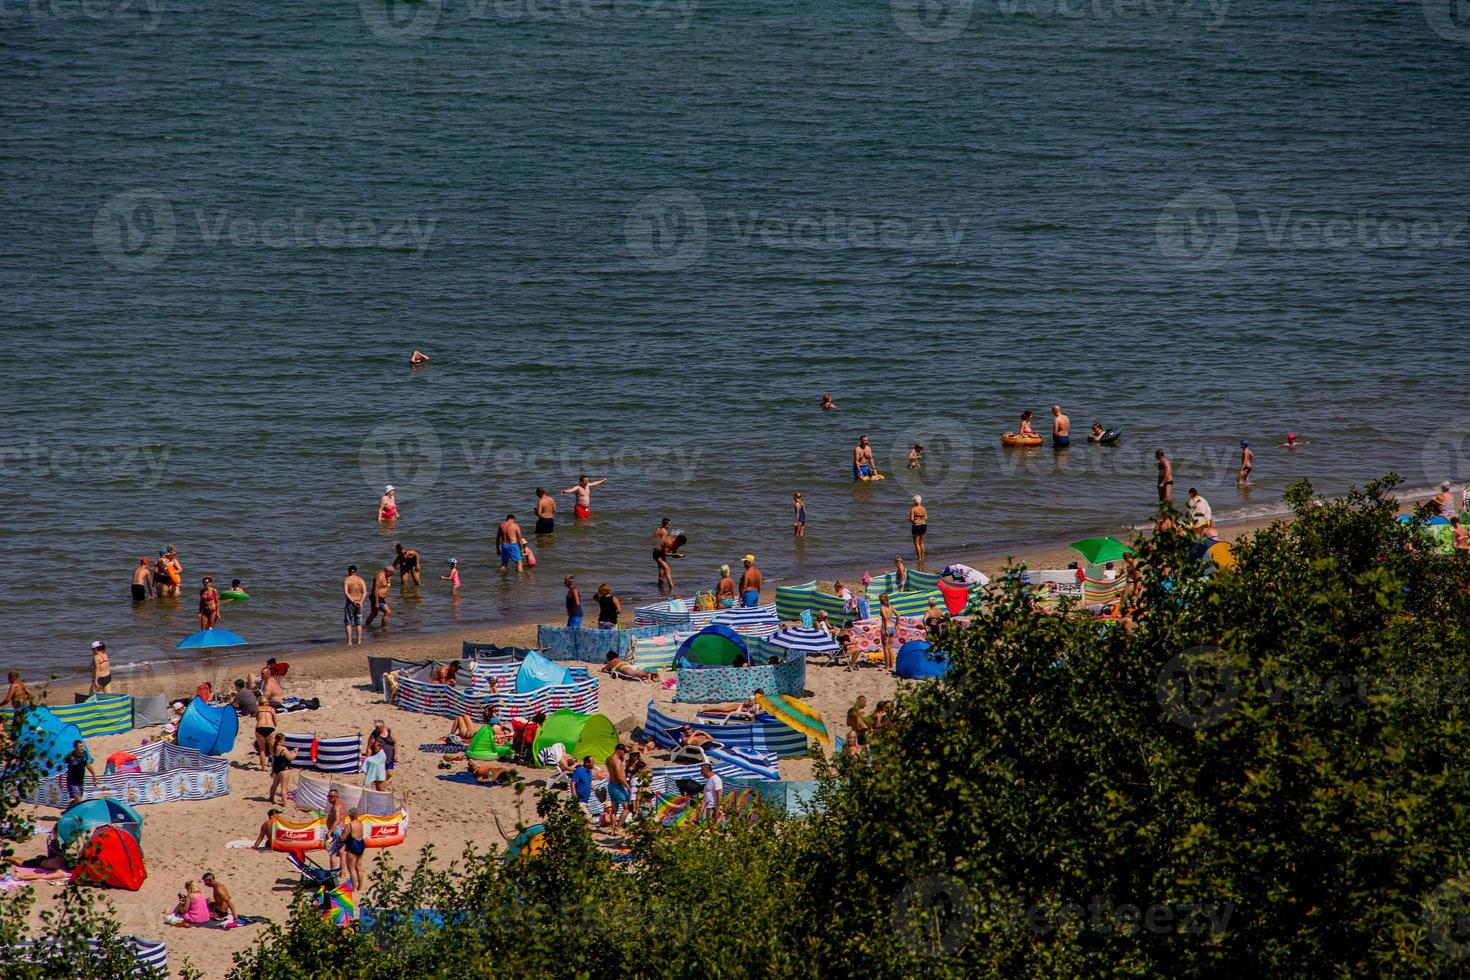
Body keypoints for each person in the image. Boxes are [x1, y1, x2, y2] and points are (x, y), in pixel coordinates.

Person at [605, 744, 630, 834]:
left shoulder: (608, 759)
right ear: (619, 751)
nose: (624, 754)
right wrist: (628, 787)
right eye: (624, 752)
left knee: (614, 810)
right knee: (626, 808)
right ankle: (618, 828)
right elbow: (620, 777)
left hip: (611, 785)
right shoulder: (617, 761)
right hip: (618, 786)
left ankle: (612, 829)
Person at [63, 740, 96, 808]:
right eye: (80, 747)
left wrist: (94, 775)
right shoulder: (70, 757)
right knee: (79, 801)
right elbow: (62, 768)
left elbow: (87, 765)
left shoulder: (84, 754)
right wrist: (61, 781)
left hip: (80, 782)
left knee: (76, 801)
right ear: (75, 748)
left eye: (82, 746)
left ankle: (67, 810)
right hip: (72, 782)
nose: (82, 748)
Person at [342, 809, 367, 887]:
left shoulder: (349, 825)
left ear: (350, 816)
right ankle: (360, 886)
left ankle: (354, 888)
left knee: (351, 868)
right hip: (361, 844)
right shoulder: (361, 824)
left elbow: (343, 838)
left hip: (352, 845)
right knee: (359, 867)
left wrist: (339, 835)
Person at [268, 734, 294, 805]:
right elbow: (290, 758)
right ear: (281, 740)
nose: (284, 741)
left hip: (276, 769)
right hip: (283, 770)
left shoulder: (274, 748)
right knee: (284, 788)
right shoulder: (283, 749)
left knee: (274, 785)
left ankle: (271, 798)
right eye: (284, 740)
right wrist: (295, 753)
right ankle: (285, 803)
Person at [343, 565, 367, 644]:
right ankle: (359, 641)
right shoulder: (361, 580)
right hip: (359, 602)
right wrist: (361, 601)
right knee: (359, 623)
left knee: (348, 622)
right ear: (356, 571)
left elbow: (346, 593)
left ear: (348, 571)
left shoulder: (347, 580)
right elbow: (365, 592)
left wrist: (353, 601)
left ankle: (349, 642)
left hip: (351, 602)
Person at [325, 789, 348, 870]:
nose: (329, 798)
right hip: (341, 829)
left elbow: (337, 820)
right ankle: (342, 872)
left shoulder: (336, 806)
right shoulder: (341, 805)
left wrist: (330, 832)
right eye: (328, 796)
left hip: (337, 830)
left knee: (332, 853)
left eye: (331, 796)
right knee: (342, 852)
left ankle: (333, 873)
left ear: (336, 797)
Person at [254, 701, 278, 770]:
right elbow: (275, 723)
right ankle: (274, 766)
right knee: (272, 749)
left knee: (262, 749)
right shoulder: (271, 709)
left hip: (260, 728)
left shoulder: (258, 709)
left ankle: (263, 767)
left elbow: (257, 719)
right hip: (270, 728)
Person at [878, 593, 898, 671]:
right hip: (892, 627)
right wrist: (896, 625)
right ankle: (891, 664)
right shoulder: (891, 607)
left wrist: (885, 629)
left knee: (885, 648)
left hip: (885, 627)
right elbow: (898, 615)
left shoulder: (882, 608)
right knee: (890, 647)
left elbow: (885, 618)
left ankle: (887, 665)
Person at [909, 495, 928, 563]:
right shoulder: (923, 508)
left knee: (916, 543)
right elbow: (926, 518)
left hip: (916, 526)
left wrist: (915, 520)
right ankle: (922, 557)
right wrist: (921, 519)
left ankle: (919, 558)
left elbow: (911, 519)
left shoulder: (913, 509)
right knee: (922, 542)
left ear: (914, 501)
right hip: (924, 525)